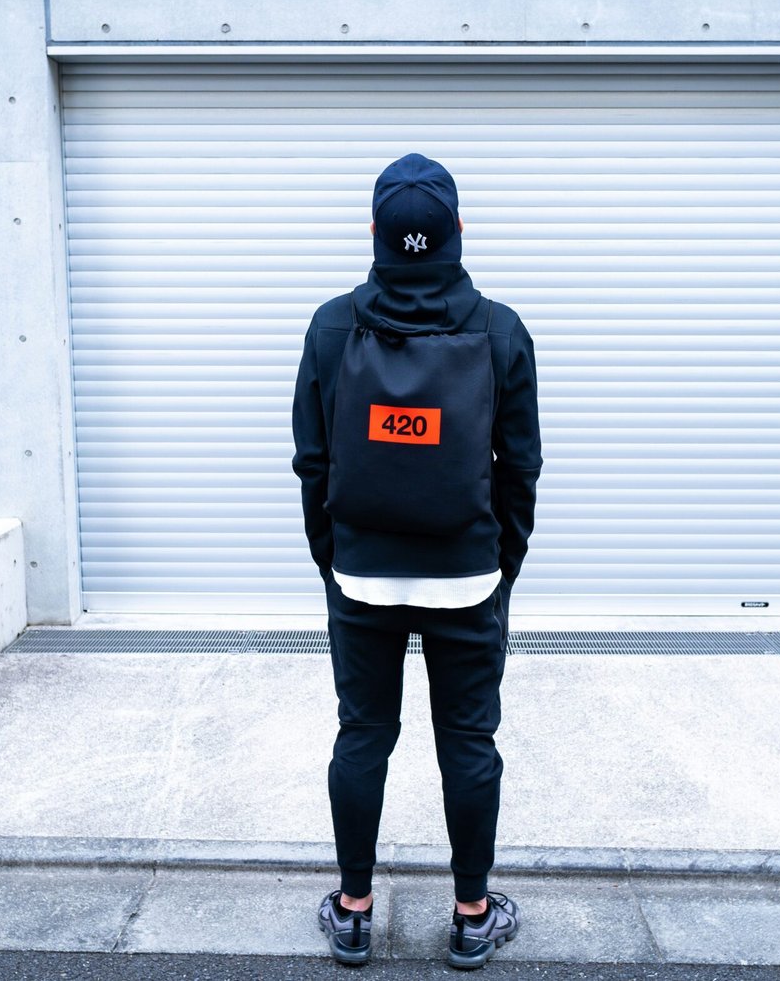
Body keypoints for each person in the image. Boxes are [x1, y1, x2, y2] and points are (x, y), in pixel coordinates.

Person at [291, 152, 542, 969]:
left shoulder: (331, 327)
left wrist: (335, 556)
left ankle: (355, 910)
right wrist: (500, 559)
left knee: (363, 732)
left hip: (362, 570)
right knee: (468, 739)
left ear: (372, 232)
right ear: (458, 232)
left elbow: (312, 462)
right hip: (468, 573)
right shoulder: (501, 329)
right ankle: (472, 914)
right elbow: (522, 467)